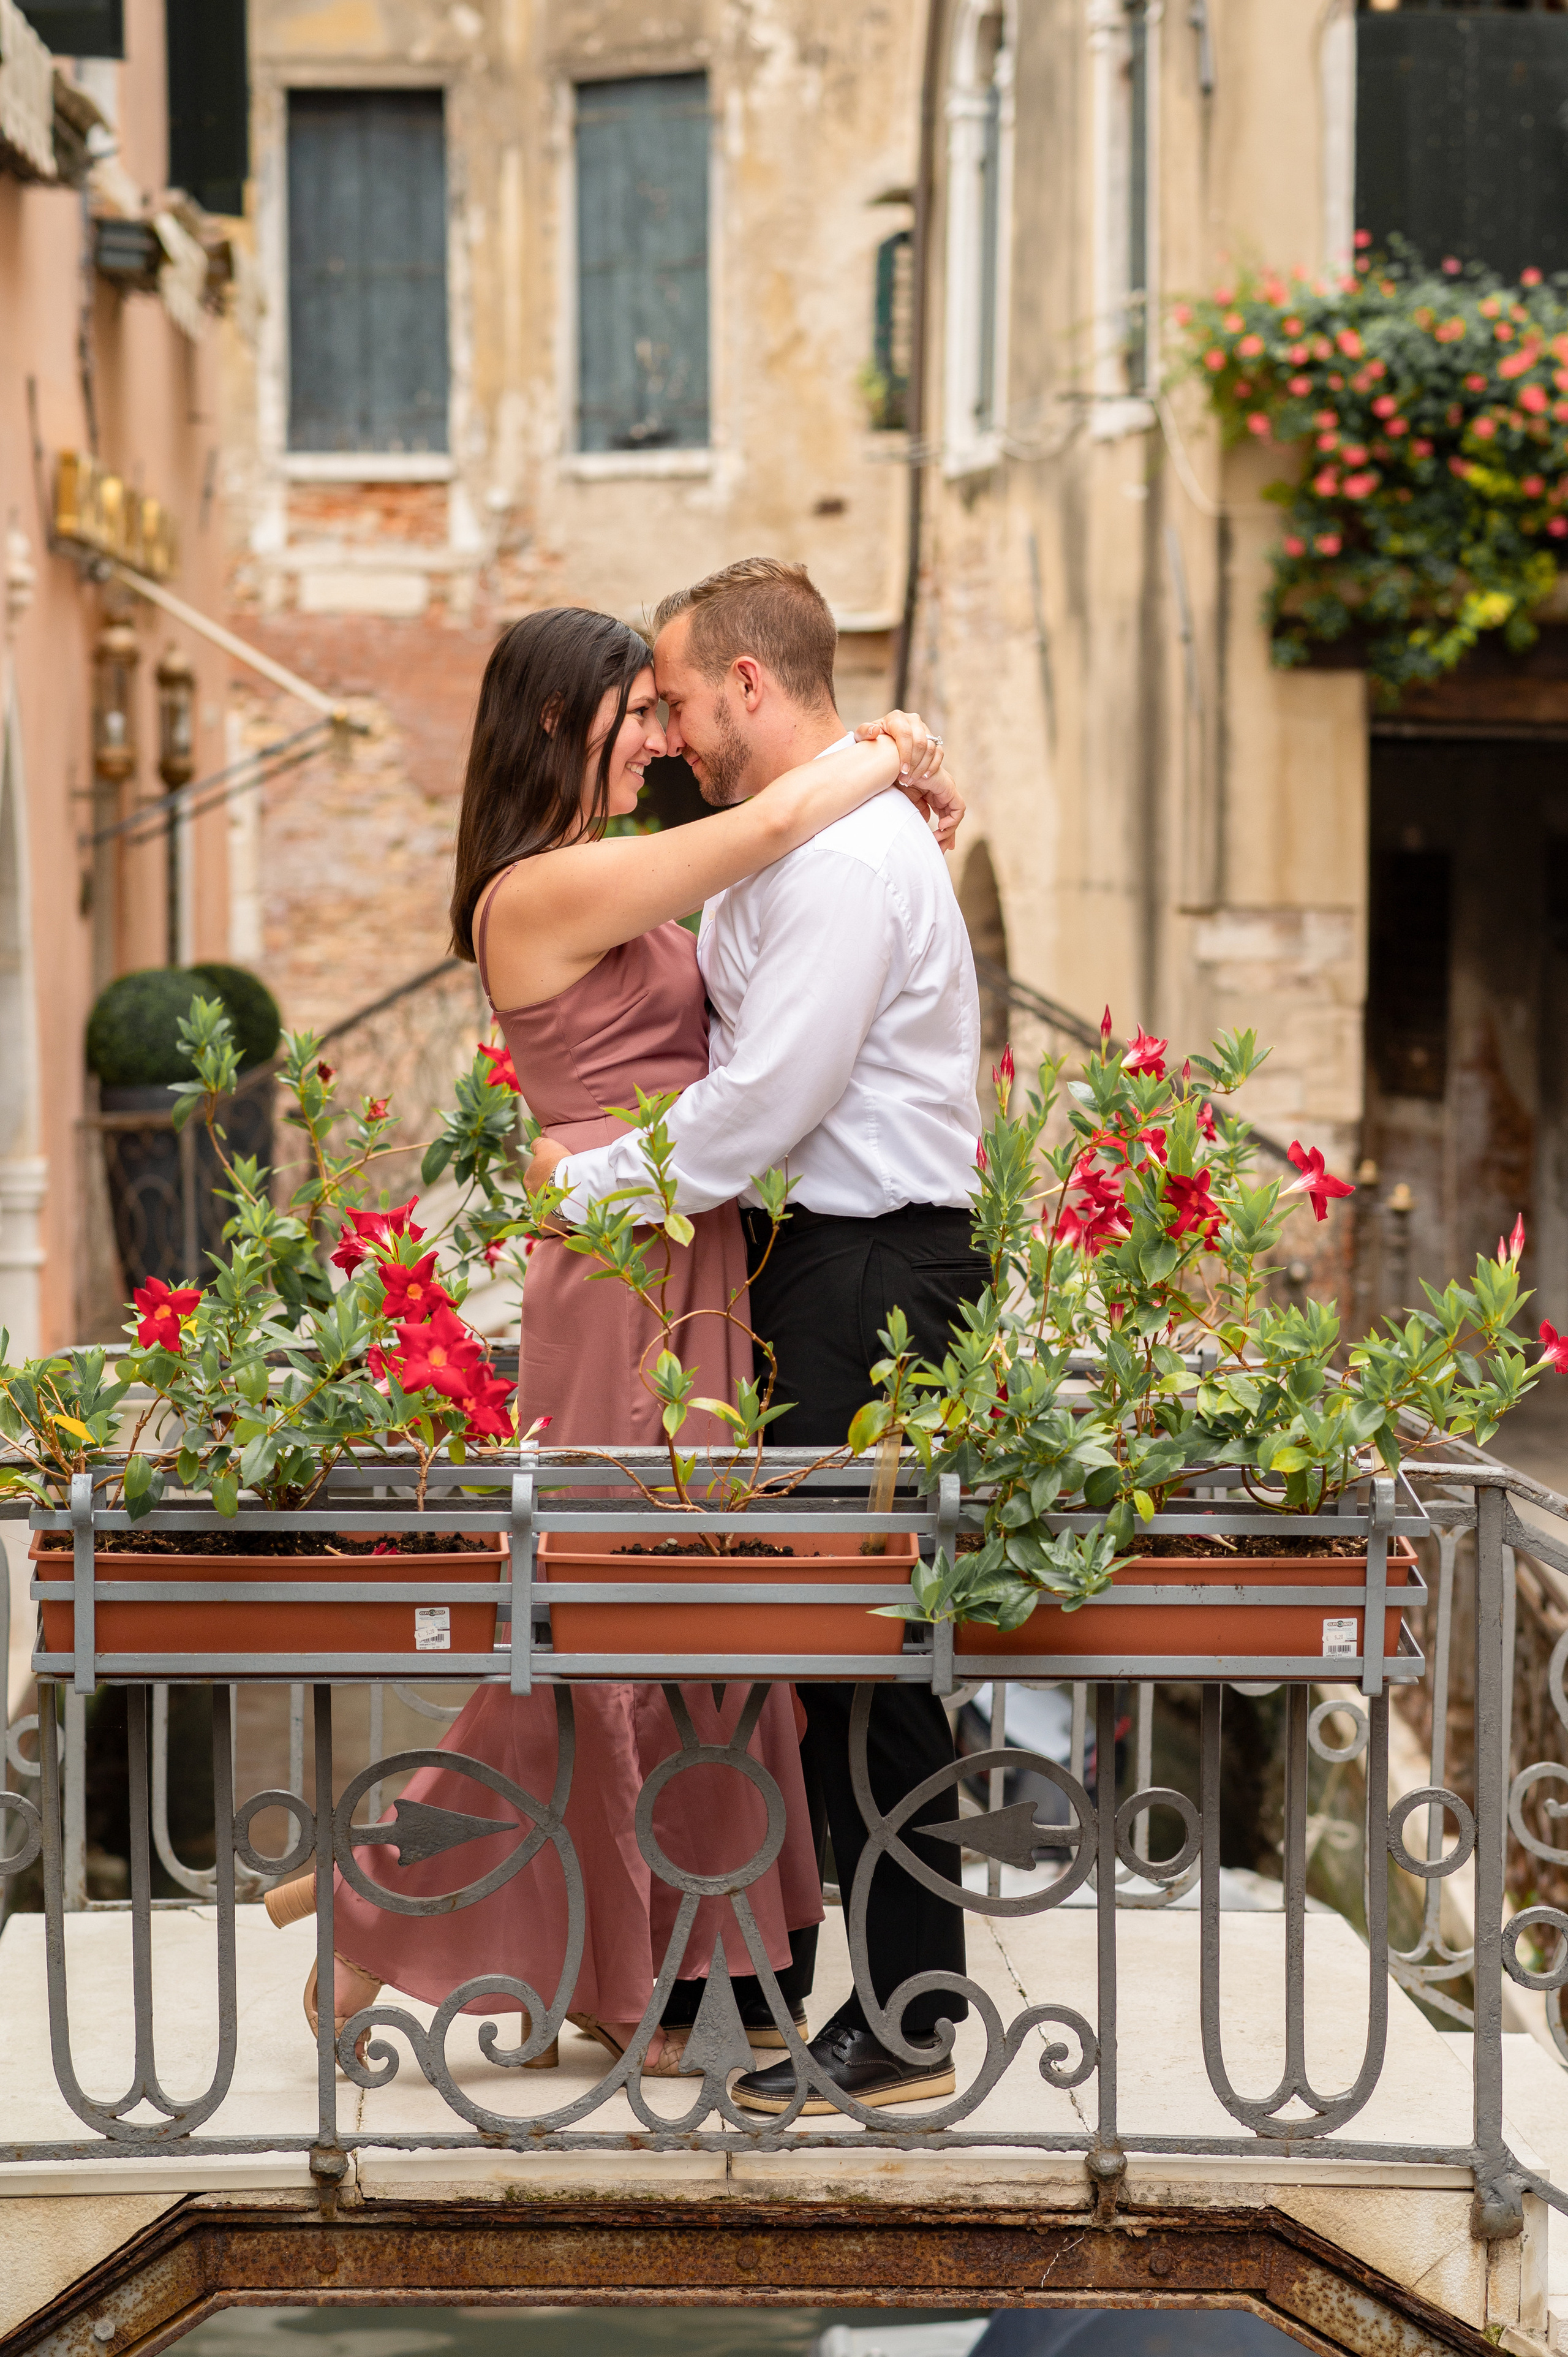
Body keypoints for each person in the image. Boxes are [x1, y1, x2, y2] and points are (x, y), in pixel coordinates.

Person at [265, 603, 961, 2077]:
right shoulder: (541, 887)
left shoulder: (620, 871)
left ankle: (681, 1963)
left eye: (666, 705)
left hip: (688, 1248)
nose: (658, 735)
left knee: (697, 1622)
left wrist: (889, 757)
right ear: (554, 721)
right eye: (636, 710)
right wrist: (892, 745)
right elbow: (768, 822)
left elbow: (764, 895)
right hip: (620, 1266)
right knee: (611, 1619)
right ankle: (419, 1907)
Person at [527, 559, 989, 2114]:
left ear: (745, 683)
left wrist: (577, 1191)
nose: (663, 729)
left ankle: (911, 2020)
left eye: (672, 698)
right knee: (818, 1645)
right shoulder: (784, 841)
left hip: (871, 1268)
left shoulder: (845, 863)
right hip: (816, 1267)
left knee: (862, 1646)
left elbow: (762, 1103)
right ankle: (824, 1983)